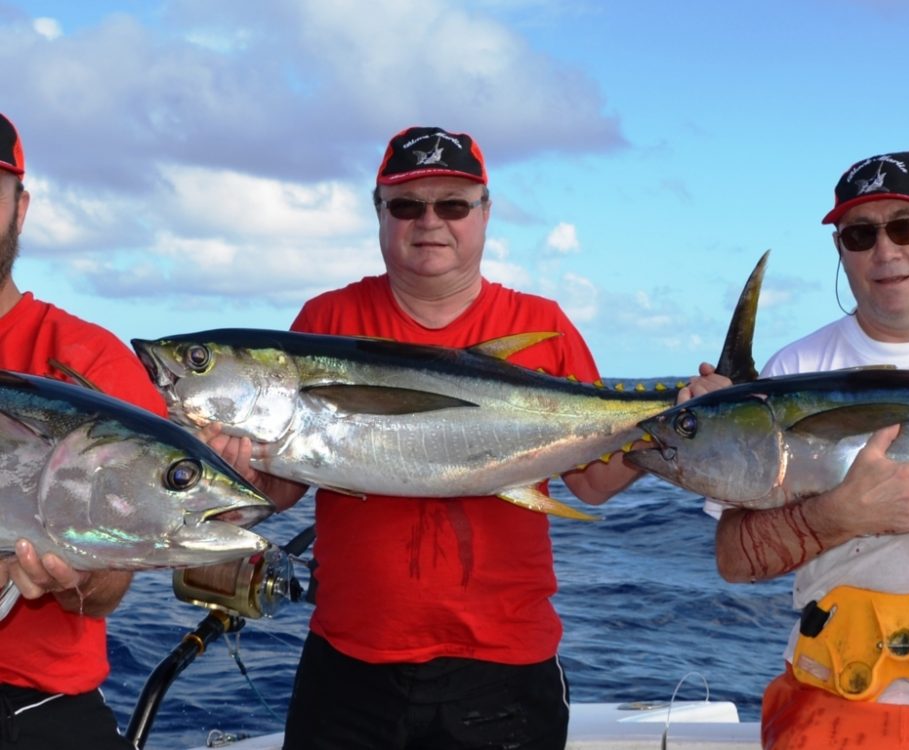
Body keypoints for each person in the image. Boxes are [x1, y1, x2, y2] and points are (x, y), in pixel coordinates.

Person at [206, 125, 725, 749]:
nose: (430, 222)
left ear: (485, 212)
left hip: (504, 662)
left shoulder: (541, 325)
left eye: (452, 204)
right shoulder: (327, 321)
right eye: (406, 205)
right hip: (351, 654)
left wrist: (685, 424)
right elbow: (283, 486)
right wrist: (235, 467)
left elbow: (593, 482)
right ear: (379, 213)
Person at [709, 151, 909, 749]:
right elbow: (733, 561)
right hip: (830, 700)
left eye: (905, 226)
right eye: (859, 234)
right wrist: (840, 516)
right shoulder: (795, 370)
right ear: (840, 251)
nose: (885, 251)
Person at [0, 113, 167, 748]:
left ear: (21, 208)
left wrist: (79, 576)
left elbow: (108, 587)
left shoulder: (87, 359)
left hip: (31, 706)